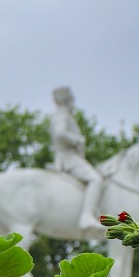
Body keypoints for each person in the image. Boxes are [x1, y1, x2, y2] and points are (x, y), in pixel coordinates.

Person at [50, 86, 104, 227]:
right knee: (96, 179)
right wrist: (77, 140)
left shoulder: (62, 116)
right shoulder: (62, 115)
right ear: (68, 101)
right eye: (71, 100)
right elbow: (60, 133)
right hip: (68, 157)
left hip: (70, 156)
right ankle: (86, 216)